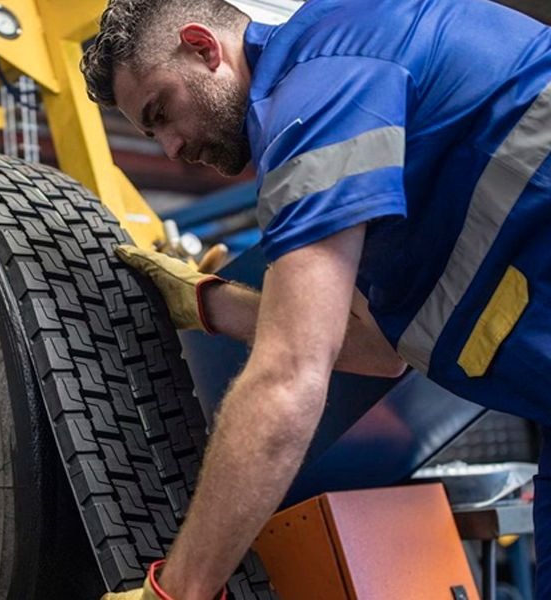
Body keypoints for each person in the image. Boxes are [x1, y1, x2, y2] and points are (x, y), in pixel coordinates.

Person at [80, 0, 551, 597]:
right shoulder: (343, 96)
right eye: (153, 133)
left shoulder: (316, 92)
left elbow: (288, 377)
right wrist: (209, 304)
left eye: (161, 111)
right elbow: (380, 352)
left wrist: (179, 590)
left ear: (203, 47)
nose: (170, 147)